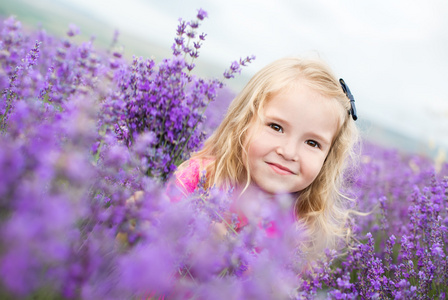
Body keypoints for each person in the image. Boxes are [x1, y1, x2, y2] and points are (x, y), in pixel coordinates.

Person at [173, 56, 359, 258]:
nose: (288, 152)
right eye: (276, 127)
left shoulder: (299, 228)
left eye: (312, 143)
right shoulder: (201, 177)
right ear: (243, 123)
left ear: (327, 159)